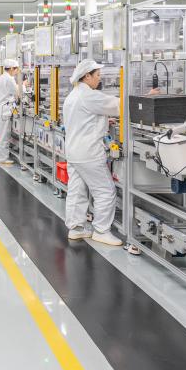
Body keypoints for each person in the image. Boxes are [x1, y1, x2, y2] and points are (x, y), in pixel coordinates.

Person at [61, 59, 123, 247]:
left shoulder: (73, 95)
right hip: (89, 153)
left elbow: (84, 118)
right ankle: (102, 231)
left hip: (73, 152)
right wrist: (145, 99)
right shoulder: (89, 95)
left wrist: (103, 121)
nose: (99, 79)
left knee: (77, 191)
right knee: (105, 191)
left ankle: (76, 228)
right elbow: (118, 105)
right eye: (97, 76)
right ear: (87, 76)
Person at [0, 59, 20, 165]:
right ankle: (3, 158)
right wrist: (23, 85)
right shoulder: (9, 79)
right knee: (3, 136)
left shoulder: (1, 77)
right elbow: (17, 92)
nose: (17, 72)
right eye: (16, 69)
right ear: (12, 68)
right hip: (4, 112)